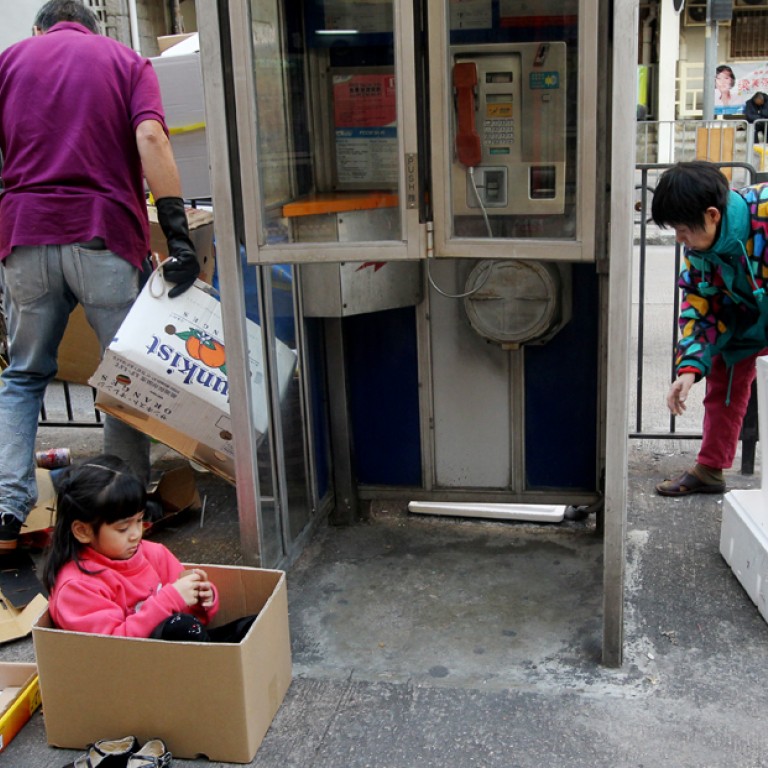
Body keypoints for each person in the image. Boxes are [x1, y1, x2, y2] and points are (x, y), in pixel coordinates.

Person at [0, 0, 201, 551]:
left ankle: (5, 506)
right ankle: (124, 503)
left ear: (42, 29)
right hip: (104, 236)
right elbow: (152, 139)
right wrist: (178, 233)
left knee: (23, 376)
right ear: (91, 27)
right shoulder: (126, 61)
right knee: (123, 378)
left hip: (25, 235)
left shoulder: (10, 61)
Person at [651, 161, 768, 497]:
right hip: (743, 319)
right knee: (723, 383)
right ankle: (710, 469)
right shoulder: (700, 251)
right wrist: (687, 371)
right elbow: (697, 309)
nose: (679, 240)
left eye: (683, 230)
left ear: (713, 214)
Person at [42, 455, 220, 639]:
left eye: (140, 520)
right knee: (181, 627)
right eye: (123, 528)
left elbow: (193, 621)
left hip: (177, 654)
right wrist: (170, 599)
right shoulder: (77, 587)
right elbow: (113, 646)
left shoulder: (154, 554)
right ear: (82, 531)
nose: (136, 534)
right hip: (130, 664)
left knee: (247, 626)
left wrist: (201, 599)